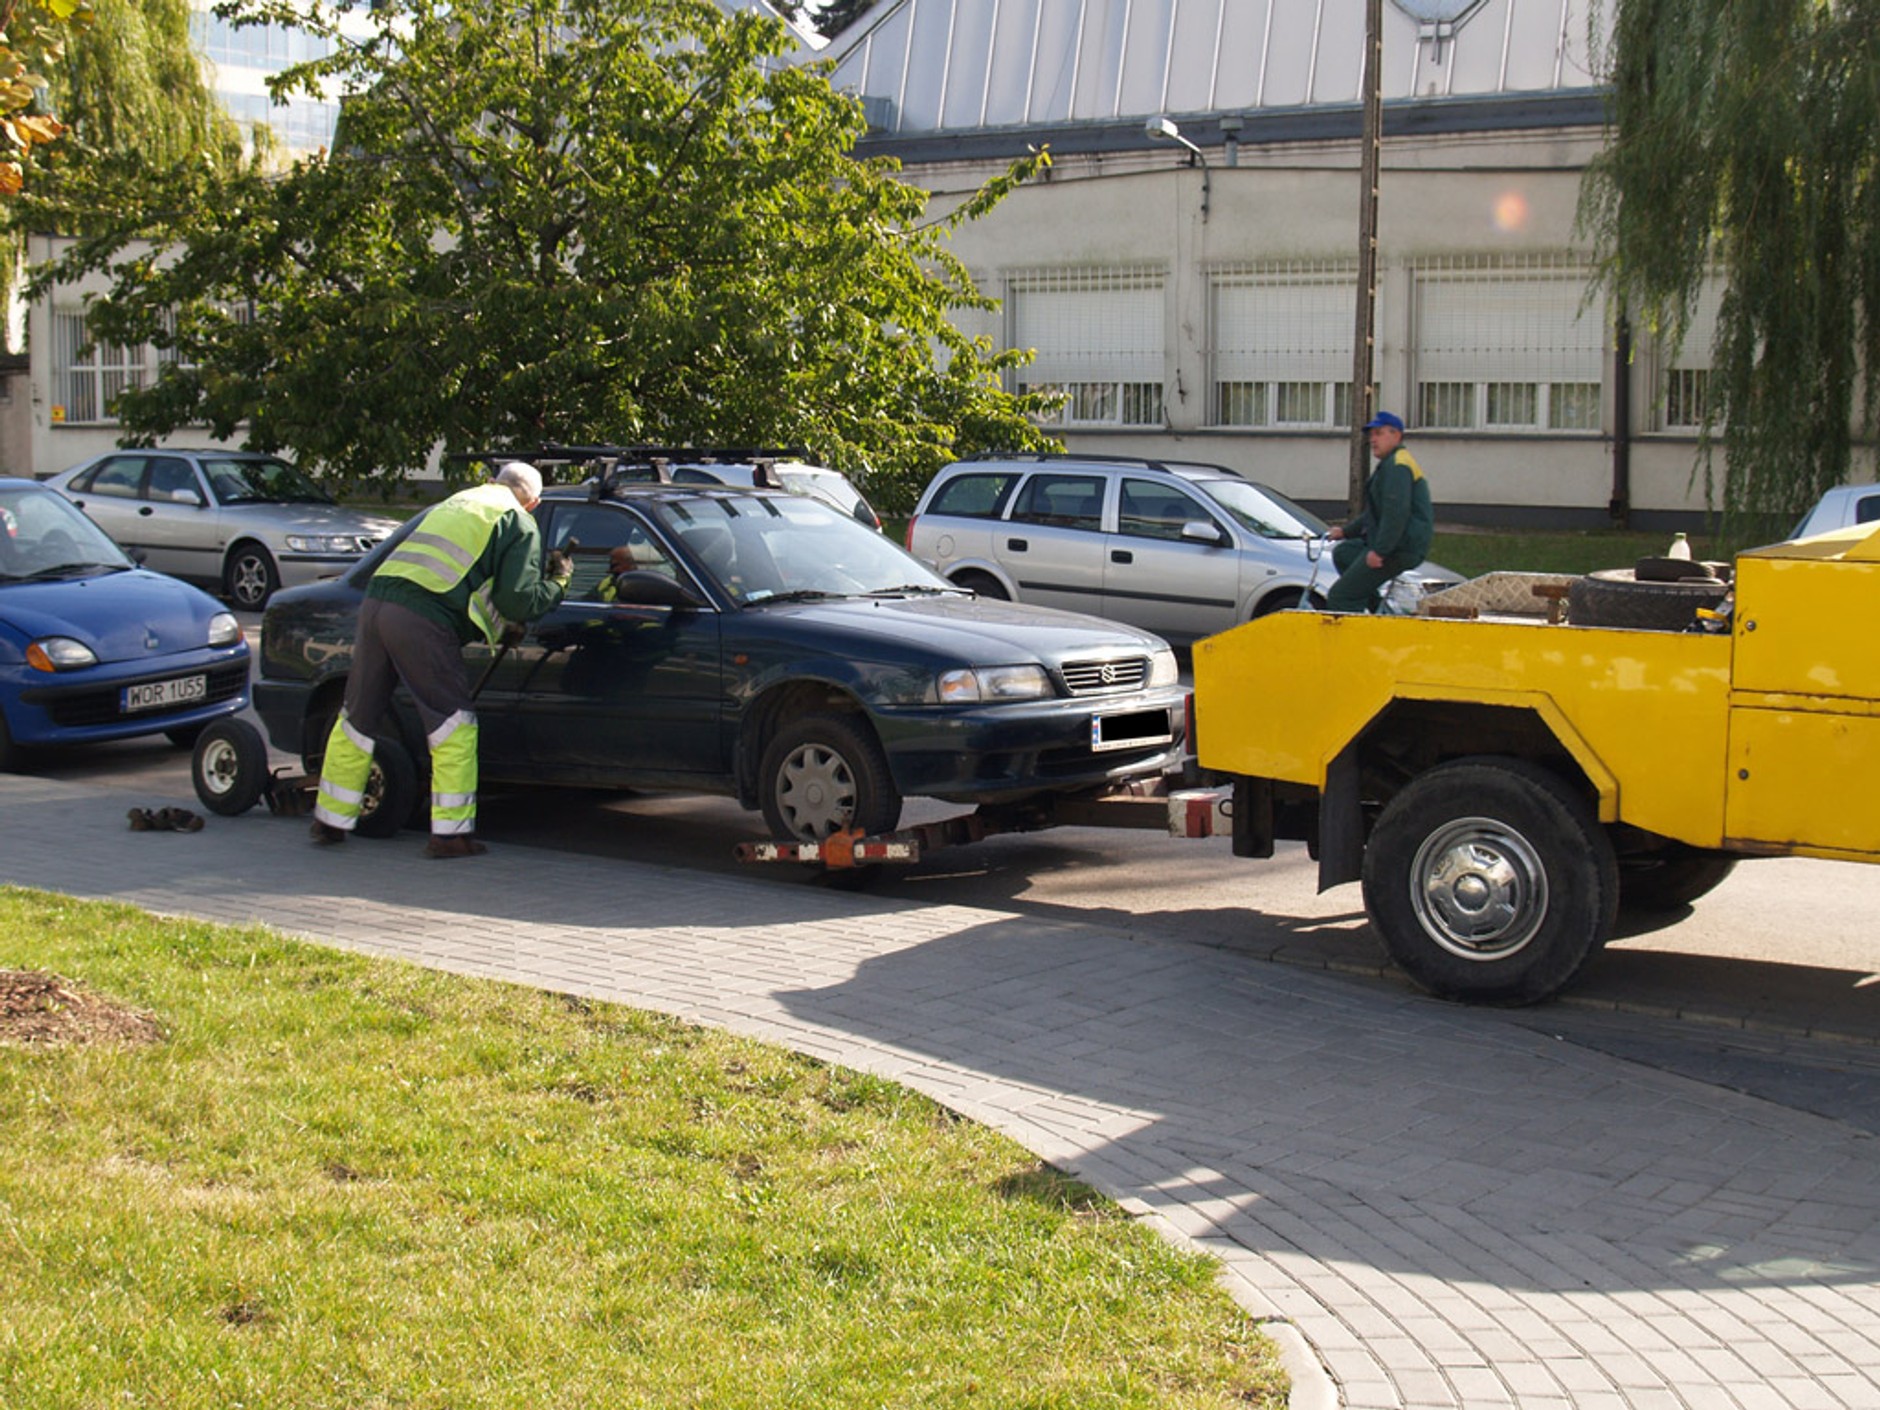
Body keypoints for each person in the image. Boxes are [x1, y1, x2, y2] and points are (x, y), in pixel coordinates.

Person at [309, 462, 573, 858]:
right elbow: (516, 599)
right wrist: (558, 583)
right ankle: (450, 836)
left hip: (376, 604)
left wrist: (497, 627)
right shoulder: (517, 522)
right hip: (420, 617)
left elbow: (465, 581)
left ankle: (330, 820)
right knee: (453, 723)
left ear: (492, 481)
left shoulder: (459, 501)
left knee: (358, 716)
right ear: (533, 503)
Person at [1325, 411, 1434, 613]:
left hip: (1400, 548)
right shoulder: (1390, 463)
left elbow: (1396, 514)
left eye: (1379, 433)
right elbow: (1374, 513)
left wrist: (1380, 551)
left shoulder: (1398, 466)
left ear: (1396, 435)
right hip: (1397, 544)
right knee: (1344, 553)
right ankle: (1379, 612)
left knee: (1342, 596)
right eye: (1371, 435)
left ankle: (1357, 630)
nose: (1372, 440)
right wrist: (1345, 532)